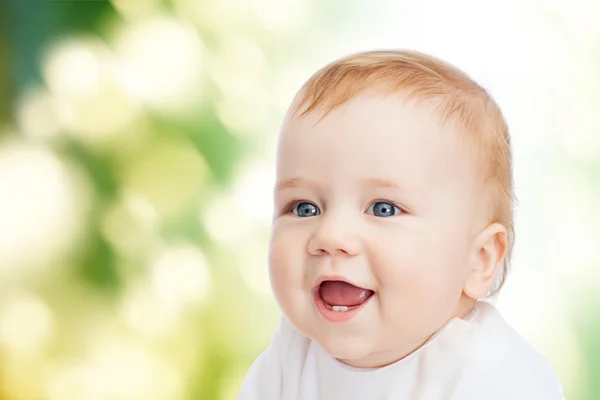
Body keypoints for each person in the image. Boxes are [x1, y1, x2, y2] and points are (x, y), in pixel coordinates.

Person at [237, 50, 565, 399]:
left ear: (479, 259)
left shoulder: (497, 378)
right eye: (304, 208)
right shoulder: (291, 356)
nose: (330, 236)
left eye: (383, 209)